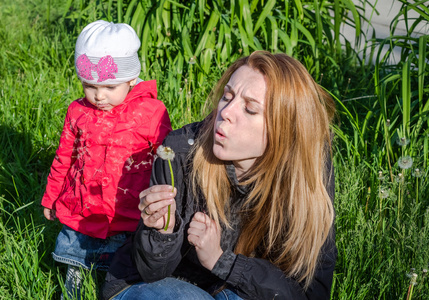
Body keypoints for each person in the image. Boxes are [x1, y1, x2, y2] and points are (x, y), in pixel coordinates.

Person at [104, 51, 337, 300]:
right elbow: (150, 271)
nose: (225, 112)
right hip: (162, 283)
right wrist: (163, 233)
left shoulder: (308, 170)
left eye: (249, 109)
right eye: (227, 96)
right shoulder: (179, 151)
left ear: (284, 130)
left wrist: (222, 261)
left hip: (237, 288)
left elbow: (310, 292)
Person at [41, 20, 172, 298]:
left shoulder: (151, 112)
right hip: (82, 209)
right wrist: (51, 197)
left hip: (127, 210)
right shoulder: (77, 111)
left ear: (131, 79)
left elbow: (166, 161)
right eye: (89, 85)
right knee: (76, 261)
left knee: (121, 271)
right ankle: (74, 286)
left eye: (110, 87)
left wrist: (167, 201)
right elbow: (64, 157)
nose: (99, 95)